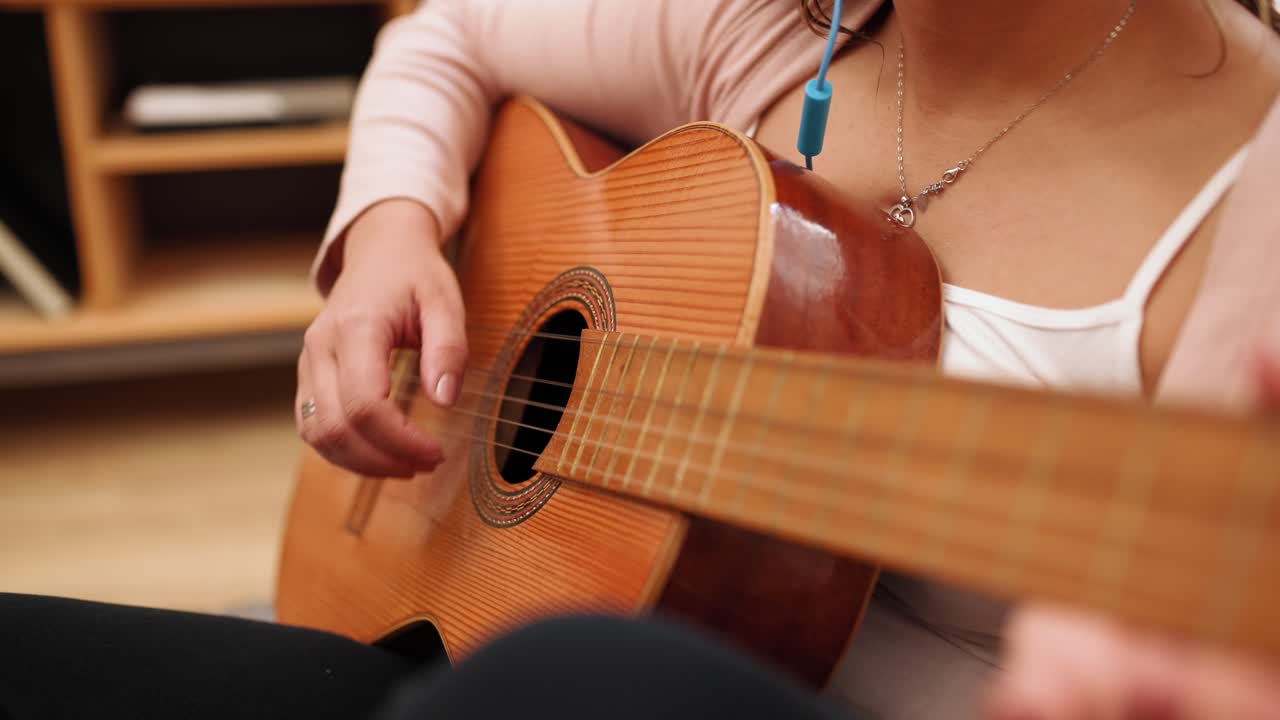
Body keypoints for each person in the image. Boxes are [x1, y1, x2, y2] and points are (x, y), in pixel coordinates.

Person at [2, 2, 1278, 719]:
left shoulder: (1238, 201)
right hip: (485, 626)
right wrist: (391, 235)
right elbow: (442, 32)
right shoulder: (775, 32)